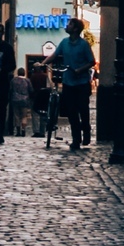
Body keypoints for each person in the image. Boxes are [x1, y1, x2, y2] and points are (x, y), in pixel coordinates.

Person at [52, 17, 96, 153]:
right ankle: (76, 139)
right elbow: (54, 55)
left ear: (75, 28)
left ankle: (86, 132)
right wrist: (42, 63)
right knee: (71, 112)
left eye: (70, 24)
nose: (67, 26)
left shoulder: (83, 45)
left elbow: (91, 61)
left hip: (81, 83)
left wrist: (80, 70)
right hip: (68, 82)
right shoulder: (64, 43)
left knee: (83, 109)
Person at [10, 66, 32, 137]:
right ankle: (23, 130)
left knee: (16, 116)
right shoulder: (27, 81)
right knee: (24, 116)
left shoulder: (13, 80)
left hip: (15, 99)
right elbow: (31, 90)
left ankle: (18, 131)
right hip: (25, 100)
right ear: (24, 73)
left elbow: (11, 90)